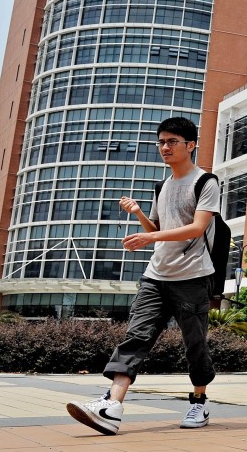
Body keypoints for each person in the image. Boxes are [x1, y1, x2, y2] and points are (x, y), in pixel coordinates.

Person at [66, 116, 219, 435]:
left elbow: (196, 228)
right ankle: (111, 405)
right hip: (156, 276)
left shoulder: (206, 182)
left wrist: (149, 239)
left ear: (190, 146)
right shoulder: (161, 186)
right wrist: (138, 214)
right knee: (136, 336)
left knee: (195, 345)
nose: (164, 147)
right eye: (161, 141)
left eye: (172, 141)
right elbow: (159, 229)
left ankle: (199, 403)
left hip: (192, 278)